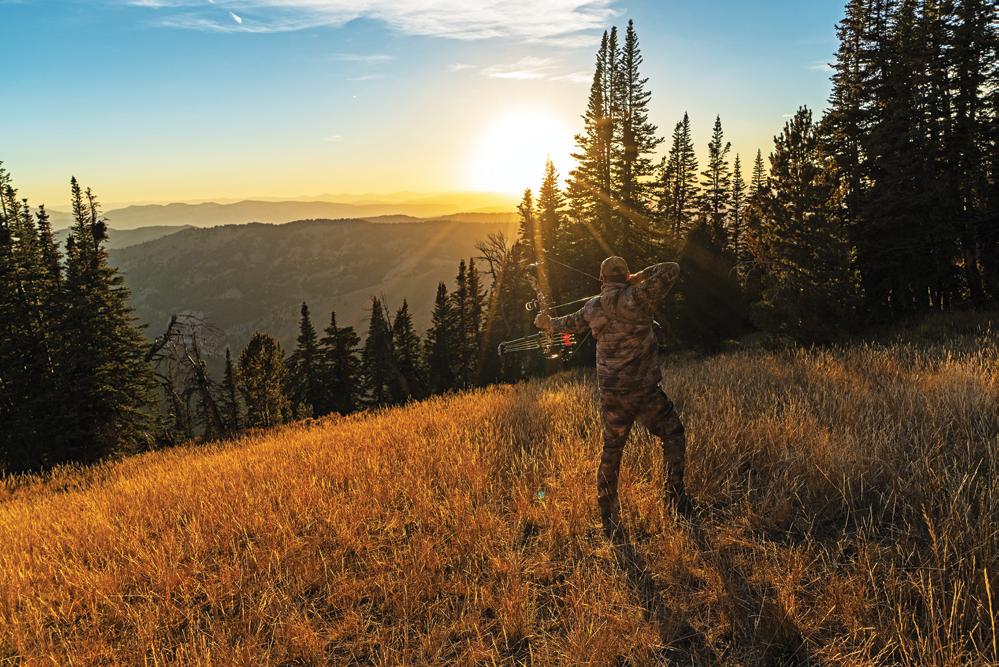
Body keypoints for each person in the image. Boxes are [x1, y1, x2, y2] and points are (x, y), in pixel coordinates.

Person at [534, 256, 690, 537]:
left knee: (612, 449)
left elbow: (567, 324)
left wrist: (546, 323)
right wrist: (637, 277)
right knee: (673, 434)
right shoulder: (639, 296)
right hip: (644, 391)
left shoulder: (593, 307)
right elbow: (671, 269)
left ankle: (607, 512)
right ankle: (675, 497)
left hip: (612, 394)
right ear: (626, 275)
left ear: (602, 279)